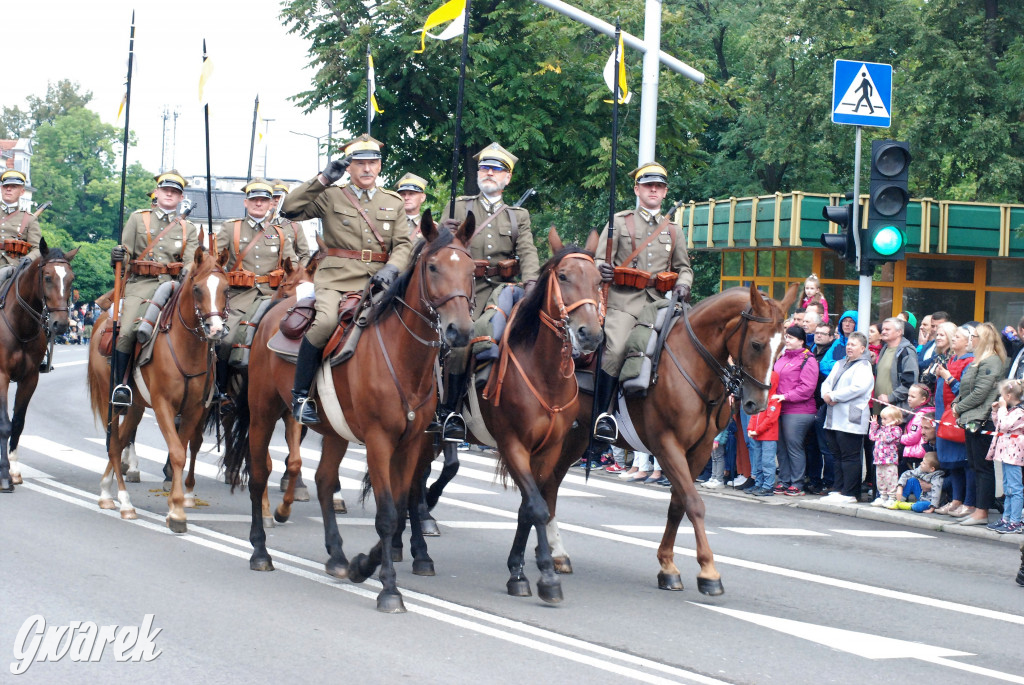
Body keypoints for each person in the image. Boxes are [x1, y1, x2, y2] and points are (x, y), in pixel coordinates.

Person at [280, 134, 411, 424]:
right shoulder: (330, 195)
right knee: (325, 323)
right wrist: (324, 178)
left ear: (379, 167)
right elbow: (288, 209)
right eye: (360, 163)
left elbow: (403, 244)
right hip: (337, 279)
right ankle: (301, 395)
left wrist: (393, 267)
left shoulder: (394, 201)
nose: (367, 169)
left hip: (381, 280)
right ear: (348, 168)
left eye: (372, 163)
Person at [435, 142, 540, 443]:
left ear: (507, 178)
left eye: (497, 170)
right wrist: (446, 230)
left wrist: (532, 284)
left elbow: (528, 252)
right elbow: (441, 251)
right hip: (465, 291)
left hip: (502, 291)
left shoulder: (517, 215)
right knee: (461, 344)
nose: (489, 173)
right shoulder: (459, 207)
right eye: (485, 168)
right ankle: (450, 412)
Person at [593, 160, 692, 449]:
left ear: (664, 192)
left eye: (659, 186)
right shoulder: (619, 221)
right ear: (637, 189)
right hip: (624, 302)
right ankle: (603, 416)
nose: (653, 190)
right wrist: (603, 270)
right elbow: (600, 260)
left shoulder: (673, 230)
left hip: (660, 303)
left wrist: (684, 283)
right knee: (616, 348)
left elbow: (683, 266)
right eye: (648, 185)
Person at [109, 170, 200, 412]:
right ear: (157, 193)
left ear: (181, 198)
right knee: (127, 330)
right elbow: (126, 250)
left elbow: (192, 260)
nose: (170, 194)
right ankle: (120, 387)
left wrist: (187, 271)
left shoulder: (188, 228)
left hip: (174, 286)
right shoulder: (138, 219)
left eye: (175, 192)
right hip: (142, 284)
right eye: (166, 190)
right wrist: (119, 255)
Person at [215, 179, 297, 393]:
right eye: (254, 200)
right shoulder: (230, 228)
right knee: (226, 339)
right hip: (239, 297)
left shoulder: (279, 232)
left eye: (264, 200)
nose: (259, 204)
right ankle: (219, 388)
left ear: (271, 204)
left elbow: (293, 264)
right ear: (246, 202)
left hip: (272, 297)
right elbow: (214, 261)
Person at [952, 322, 1005, 526]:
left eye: (973, 336)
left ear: (981, 340)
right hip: (972, 418)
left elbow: (980, 393)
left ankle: (982, 511)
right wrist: (958, 404)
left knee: (983, 467)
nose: (970, 340)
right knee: (975, 465)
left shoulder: (991, 362)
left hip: (982, 420)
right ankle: (977, 509)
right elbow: (967, 390)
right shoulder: (979, 361)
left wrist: (959, 407)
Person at [821, 331, 874, 503]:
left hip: (851, 416)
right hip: (834, 415)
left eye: (854, 345)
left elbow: (858, 388)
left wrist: (834, 396)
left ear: (862, 348)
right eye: (848, 344)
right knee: (836, 454)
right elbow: (826, 382)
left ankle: (850, 492)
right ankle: (838, 487)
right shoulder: (840, 363)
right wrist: (826, 394)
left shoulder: (864, 366)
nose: (849, 347)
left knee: (849, 455)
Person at [932, 323, 974, 517]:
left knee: (965, 462)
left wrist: (947, 377)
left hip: (958, 418)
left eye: (958, 336)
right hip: (943, 417)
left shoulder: (969, 362)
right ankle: (956, 500)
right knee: (952, 463)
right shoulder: (951, 359)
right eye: (954, 335)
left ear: (969, 342)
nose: (954, 338)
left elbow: (964, 393)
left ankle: (969, 502)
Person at [772, 325, 818, 496]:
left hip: (799, 410)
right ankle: (784, 480)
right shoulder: (782, 357)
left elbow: (807, 388)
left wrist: (786, 396)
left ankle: (797, 482)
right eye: (786, 337)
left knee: (794, 445)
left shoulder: (808, 359)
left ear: (801, 341)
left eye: (791, 337)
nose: (787, 340)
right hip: (780, 408)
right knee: (781, 447)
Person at [984, 378, 1024, 533]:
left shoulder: (1019, 412)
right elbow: (999, 425)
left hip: (1014, 455)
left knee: (1015, 488)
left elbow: (1004, 425)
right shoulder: (1011, 411)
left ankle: (1015, 521)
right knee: (1007, 488)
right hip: (1006, 454)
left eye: (1001, 395)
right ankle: (1006, 518)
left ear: (1008, 396)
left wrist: (1001, 409)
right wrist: (996, 411)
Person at [873, 317, 920, 414]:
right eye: (883, 329)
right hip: (880, 409)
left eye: (887, 329)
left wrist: (890, 398)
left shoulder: (906, 351)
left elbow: (910, 383)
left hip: (896, 412)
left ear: (899, 332)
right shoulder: (884, 348)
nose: (883, 332)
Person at [747, 371, 781, 496]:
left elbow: (770, 419)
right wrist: (750, 429)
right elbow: (753, 416)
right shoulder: (760, 398)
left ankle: (767, 486)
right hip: (757, 435)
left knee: (767, 461)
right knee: (758, 460)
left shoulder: (774, 400)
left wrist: (756, 430)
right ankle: (759, 484)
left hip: (768, 436)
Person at [0, 169, 42, 265]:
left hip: (13, 268)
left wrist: (29, 258)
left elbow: (38, 248)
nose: (8, 189)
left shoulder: (29, 219)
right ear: (1, 188)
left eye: (13, 187)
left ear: (22, 192)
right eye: (6, 186)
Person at [869, 406, 904, 507]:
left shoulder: (896, 430)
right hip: (879, 459)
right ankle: (882, 496)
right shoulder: (881, 430)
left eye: (885, 419)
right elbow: (872, 436)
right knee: (880, 479)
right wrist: (874, 425)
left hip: (890, 460)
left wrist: (888, 427)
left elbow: (887, 439)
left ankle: (892, 497)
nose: (882, 421)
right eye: (882, 419)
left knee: (890, 479)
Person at [270, 180, 311, 266]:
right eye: (274, 197)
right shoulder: (259, 224)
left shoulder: (294, 226)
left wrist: (298, 274)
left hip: (287, 275)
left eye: (280, 197)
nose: (277, 200)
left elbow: (304, 255)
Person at [900, 383, 934, 472]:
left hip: (916, 454)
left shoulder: (920, 415)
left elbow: (913, 437)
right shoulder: (923, 411)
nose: (909, 399)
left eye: (913, 397)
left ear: (923, 399)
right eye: (908, 396)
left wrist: (898, 437)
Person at [395, 173, 428, 241]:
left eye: (411, 194)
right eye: (403, 194)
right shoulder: (391, 223)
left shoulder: (429, 226)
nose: (406, 198)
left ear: (422, 197)